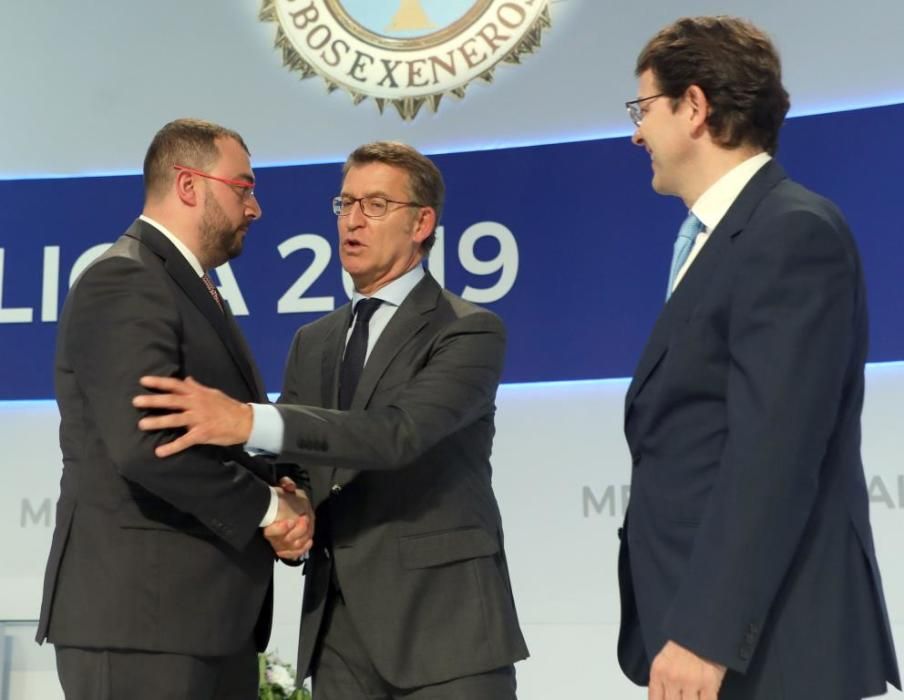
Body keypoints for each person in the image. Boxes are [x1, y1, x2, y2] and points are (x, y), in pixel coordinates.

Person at [133, 141, 529, 699]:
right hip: (337, 635)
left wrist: (249, 422)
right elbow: (299, 468)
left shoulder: (468, 331)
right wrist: (284, 510)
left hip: (447, 634)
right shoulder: (312, 342)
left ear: (422, 222)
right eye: (344, 204)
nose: (352, 220)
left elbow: (398, 435)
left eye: (375, 205)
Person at [616, 16, 901, 700]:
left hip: (768, 649)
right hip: (724, 641)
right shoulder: (723, 239)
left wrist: (705, 636)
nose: (635, 133)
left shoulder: (789, 233)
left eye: (643, 108)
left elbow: (772, 454)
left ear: (694, 107)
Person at [36, 118, 313, 700]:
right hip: (143, 626)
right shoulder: (126, 280)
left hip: (198, 623)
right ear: (189, 185)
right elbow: (148, 444)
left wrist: (288, 494)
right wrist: (268, 508)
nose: (255, 207)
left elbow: (222, 434)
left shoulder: (186, 286)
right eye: (243, 187)